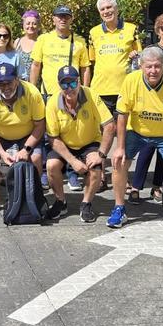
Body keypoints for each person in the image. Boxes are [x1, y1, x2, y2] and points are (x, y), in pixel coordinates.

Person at [108, 47, 163, 234]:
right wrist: (119, 147)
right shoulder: (131, 80)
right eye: (148, 66)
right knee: (119, 162)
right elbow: (121, 115)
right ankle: (119, 208)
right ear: (141, 66)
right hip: (137, 131)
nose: (153, 70)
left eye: (157, 66)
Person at [0, 62, 47, 215]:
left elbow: (40, 125)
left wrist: (26, 149)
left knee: (36, 157)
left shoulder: (32, 93)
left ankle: (34, 197)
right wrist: (1, 152)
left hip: (27, 134)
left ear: (17, 79)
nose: (6, 87)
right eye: (1, 83)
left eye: (9, 82)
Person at [45, 66, 114, 223]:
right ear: (59, 85)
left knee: (96, 167)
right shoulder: (52, 103)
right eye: (64, 84)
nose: (69, 88)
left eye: (73, 84)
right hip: (64, 143)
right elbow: (53, 138)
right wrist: (73, 161)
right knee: (51, 165)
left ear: (79, 81)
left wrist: (101, 154)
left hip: (89, 141)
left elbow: (109, 125)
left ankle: (86, 203)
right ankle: (60, 202)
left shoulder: (91, 95)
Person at [131, 12, 163, 202]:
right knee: (145, 151)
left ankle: (157, 187)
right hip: (147, 109)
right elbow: (136, 75)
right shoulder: (149, 51)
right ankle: (136, 187)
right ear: (157, 30)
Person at [87, 0, 141, 115]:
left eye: (109, 7)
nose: (106, 11)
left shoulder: (131, 29)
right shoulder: (93, 32)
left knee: (123, 129)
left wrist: (135, 56)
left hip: (125, 88)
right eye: (102, 9)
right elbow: (92, 61)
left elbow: (140, 58)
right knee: (104, 130)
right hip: (100, 89)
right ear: (99, 13)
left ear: (117, 9)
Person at [30, 5, 90, 101]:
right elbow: (36, 65)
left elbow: (85, 68)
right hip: (48, 93)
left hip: (72, 93)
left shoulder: (80, 41)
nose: (63, 19)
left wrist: (85, 91)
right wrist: (32, 88)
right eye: (60, 16)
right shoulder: (43, 39)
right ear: (53, 19)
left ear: (71, 19)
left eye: (66, 17)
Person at [13, 10, 41, 81]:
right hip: (18, 84)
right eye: (28, 23)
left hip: (36, 84)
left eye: (34, 24)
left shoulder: (41, 42)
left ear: (38, 26)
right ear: (23, 25)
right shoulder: (17, 42)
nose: (31, 26)